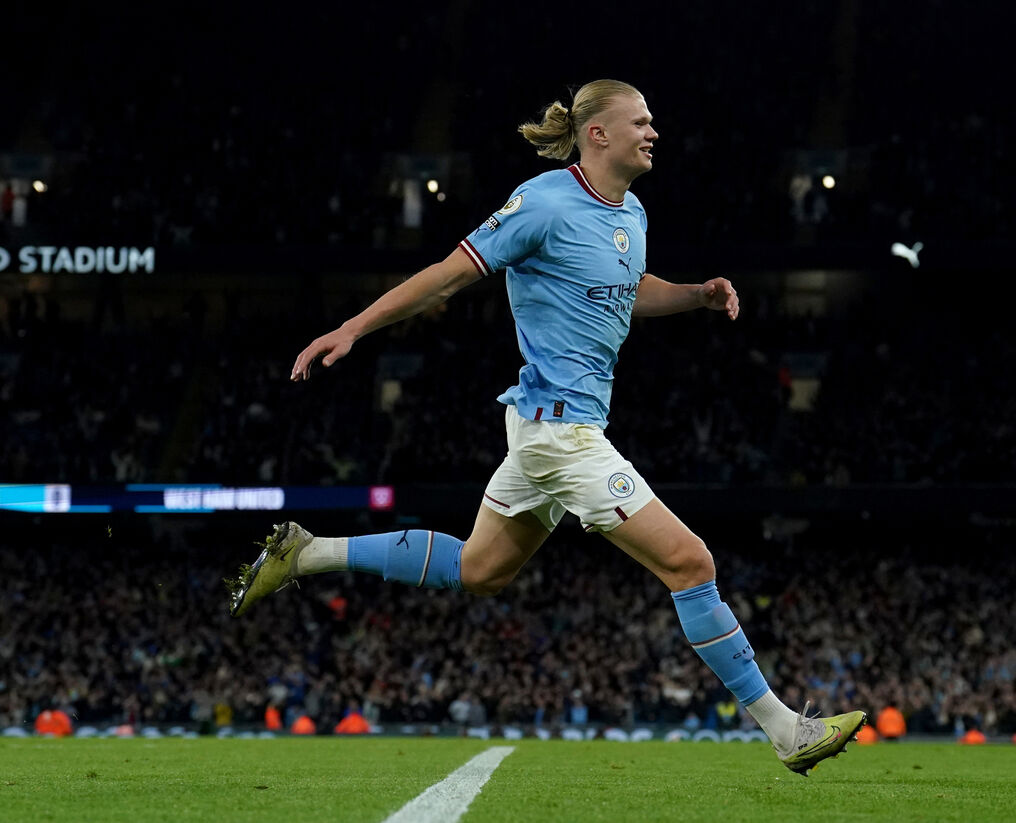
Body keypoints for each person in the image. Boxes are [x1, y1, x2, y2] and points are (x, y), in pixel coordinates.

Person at [226, 79, 865, 775]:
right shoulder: (542, 203)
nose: (654, 132)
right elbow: (447, 275)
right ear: (599, 134)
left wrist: (696, 296)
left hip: (545, 428)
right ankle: (785, 730)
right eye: (641, 121)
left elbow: (630, 286)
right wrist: (353, 327)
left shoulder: (634, 212)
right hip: (561, 436)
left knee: (481, 568)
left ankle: (308, 551)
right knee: (692, 562)